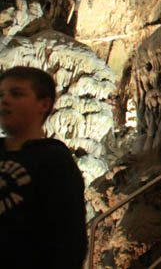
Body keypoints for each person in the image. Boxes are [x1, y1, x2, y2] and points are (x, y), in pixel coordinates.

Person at [0, 66, 87, 269]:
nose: (5, 100)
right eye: (1, 94)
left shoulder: (53, 161)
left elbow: (69, 238)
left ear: (44, 105)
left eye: (17, 94)